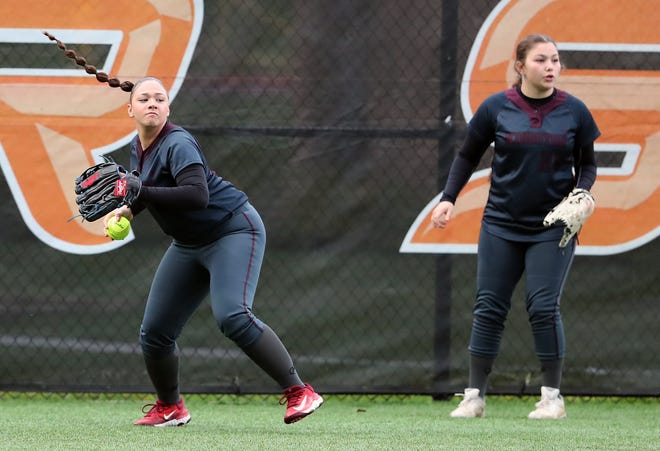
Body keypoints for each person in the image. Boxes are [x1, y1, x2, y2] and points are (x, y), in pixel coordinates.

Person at [102, 77, 323, 426]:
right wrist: (128, 209)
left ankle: (300, 392)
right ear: (130, 109)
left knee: (232, 315)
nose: (152, 103)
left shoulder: (178, 143)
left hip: (233, 230)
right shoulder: (138, 146)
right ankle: (170, 407)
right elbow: (152, 190)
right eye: (144, 98)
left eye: (160, 98)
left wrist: (139, 190)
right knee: (155, 332)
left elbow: (196, 195)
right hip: (189, 243)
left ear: (168, 108)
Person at [431, 34, 599, 419]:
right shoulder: (496, 108)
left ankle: (552, 398)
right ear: (520, 66)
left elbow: (588, 163)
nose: (551, 67)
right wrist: (448, 198)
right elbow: (467, 156)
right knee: (489, 307)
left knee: (543, 306)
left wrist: (582, 192)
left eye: (555, 60)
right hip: (501, 224)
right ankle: (474, 397)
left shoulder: (574, 111)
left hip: (552, 226)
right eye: (541, 60)